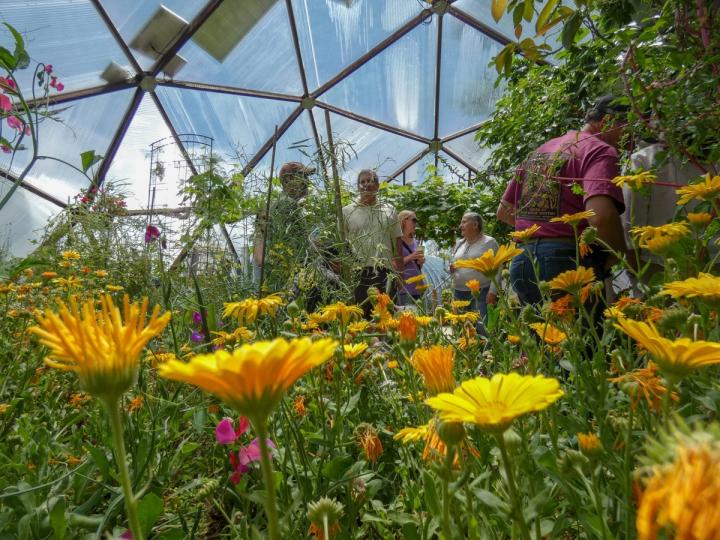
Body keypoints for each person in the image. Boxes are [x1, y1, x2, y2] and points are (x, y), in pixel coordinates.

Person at [496, 95, 628, 305]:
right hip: (567, 261)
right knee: (586, 335)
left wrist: (541, 233)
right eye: (628, 128)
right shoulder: (600, 150)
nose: (631, 139)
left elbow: (504, 211)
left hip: (522, 261)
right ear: (607, 122)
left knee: (544, 335)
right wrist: (620, 254)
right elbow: (601, 217)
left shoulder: (540, 151)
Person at [342, 169, 402, 318]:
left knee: (386, 318)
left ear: (377, 186)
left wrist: (400, 274)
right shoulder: (347, 211)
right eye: (362, 182)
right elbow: (341, 243)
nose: (366, 185)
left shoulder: (390, 210)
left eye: (370, 181)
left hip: (385, 273)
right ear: (358, 187)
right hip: (358, 273)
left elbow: (398, 242)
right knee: (361, 318)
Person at [253, 162, 316, 290]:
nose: (307, 183)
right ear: (288, 180)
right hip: (287, 282)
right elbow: (303, 250)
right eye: (303, 177)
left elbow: (259, 255)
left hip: (270, 281)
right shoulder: (289, 205)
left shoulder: (269, 206)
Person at [449, 212, 499, 321]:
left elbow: (498, 268)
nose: (460, 225)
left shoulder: (489, 242)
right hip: (459, 292)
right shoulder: (459, 243)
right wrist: (452, 269)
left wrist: (493, 292)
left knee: (481, 329)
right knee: (462, 330)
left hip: (482, 292)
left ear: (475, 225)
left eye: (464, 222)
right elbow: (454, 265)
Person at [396, 210, 426, 306]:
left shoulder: (415, 241)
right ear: (404, 221)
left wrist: (421, 262)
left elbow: (416, 266)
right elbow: (394, 265)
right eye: (414, 220)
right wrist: (411, 257)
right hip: (404, 289)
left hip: (417, 288)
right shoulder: (397, 241)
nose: (415, 223)